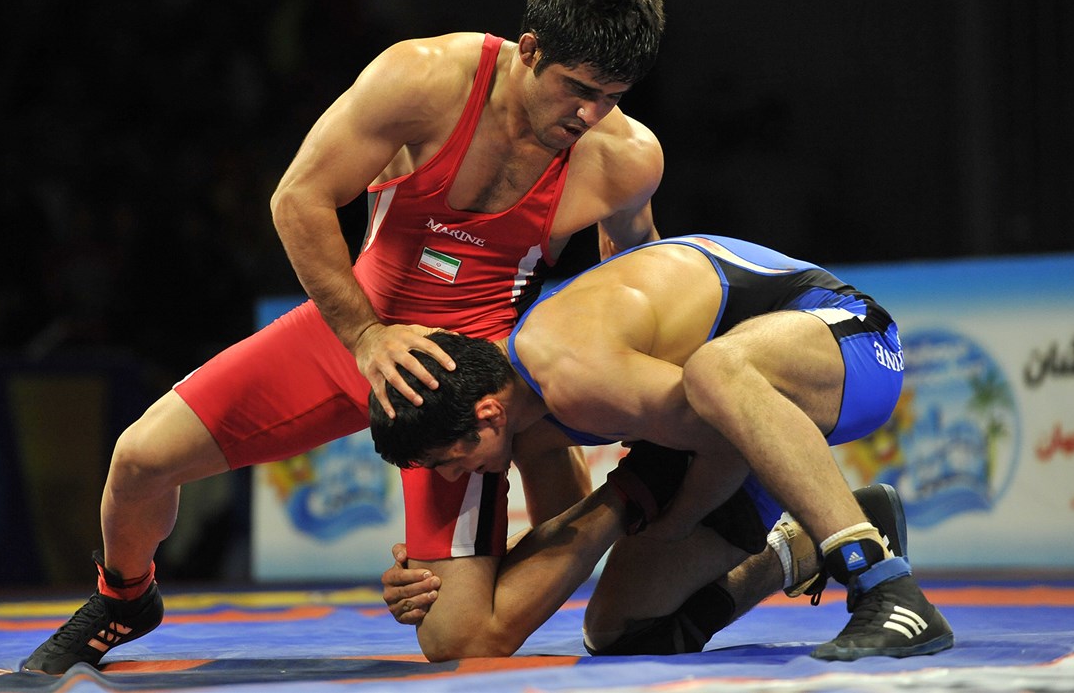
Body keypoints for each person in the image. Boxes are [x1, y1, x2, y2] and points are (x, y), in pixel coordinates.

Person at [23, 0, 666, 673]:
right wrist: (365, 336)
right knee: (139, 459)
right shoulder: (423, 79)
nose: (588, 115)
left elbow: (639, 289)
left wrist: (601, 405)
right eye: (577, 89)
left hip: (466, 380)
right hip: (352, 327)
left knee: (456, 638)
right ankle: (124, 597)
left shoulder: (624, 157)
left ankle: (559, 532)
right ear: (529, 49)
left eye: (611, 97)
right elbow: (297, 197)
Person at [368, 235, 954, 661]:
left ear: (487, 415)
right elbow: (568, 537)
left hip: (847, 339)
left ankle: (885, 584)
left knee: (713, 372)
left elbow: (726, 438)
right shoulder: (530, 420)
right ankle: (803, 547)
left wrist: (676, 519)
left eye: (447, 462)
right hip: (739, 421)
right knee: (621, 633)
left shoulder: (569, 369)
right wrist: (460, 580)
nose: (453, 478)